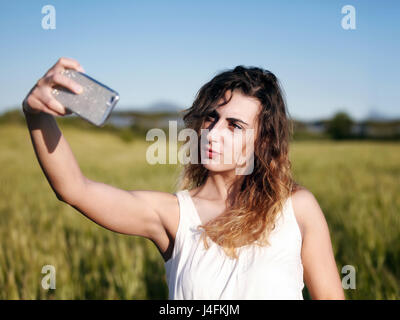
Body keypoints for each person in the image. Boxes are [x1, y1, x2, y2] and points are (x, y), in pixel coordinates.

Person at [22, 57, 345, 300]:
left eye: (235, 126)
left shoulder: (296, 208)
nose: (214, 133)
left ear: (263, 140)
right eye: (211, 117)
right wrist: (37, 114)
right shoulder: (175, 215)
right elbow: (74, 189)